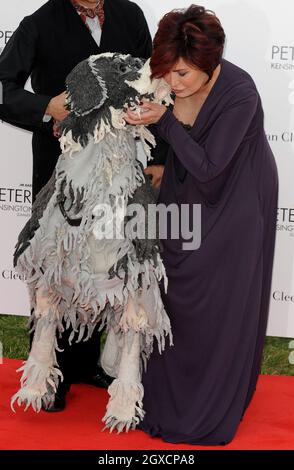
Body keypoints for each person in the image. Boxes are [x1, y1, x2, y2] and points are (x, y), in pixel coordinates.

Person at [125, 4, 278, 445]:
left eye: (183, 75)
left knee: (219, 302)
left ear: (211, 66)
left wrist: (166, 123)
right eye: (168, 72)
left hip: (237, 198)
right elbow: (170, 145)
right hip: (184, 191)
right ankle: (161, 397)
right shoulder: (168, 82)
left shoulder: (241, 92)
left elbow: (211, 167)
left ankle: (206, 409)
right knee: (174, 292)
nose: (172, 83)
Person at [0, 0, 152, 411]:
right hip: (60, 171)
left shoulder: (130, 15)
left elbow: (150, 82)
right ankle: (50, 372)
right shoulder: (39, 23)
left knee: (108, 265)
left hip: (120, 173)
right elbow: (3, 85)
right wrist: (44, 106)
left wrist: (155, 161)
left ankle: (89, 362)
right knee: (57, 266)